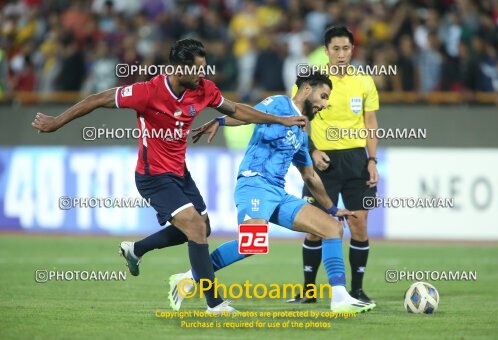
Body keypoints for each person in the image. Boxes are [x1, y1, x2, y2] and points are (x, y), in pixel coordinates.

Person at [31, 38, 306, 314]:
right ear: (178, 68)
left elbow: (236, 109)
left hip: (179, 172)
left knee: (203, 228)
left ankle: (136, 249)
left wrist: (281, 120)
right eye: (197, 69)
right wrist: (56, 122)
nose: (203, 75)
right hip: (153, 176)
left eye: (204, 68)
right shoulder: (147, 92)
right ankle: (215, 303)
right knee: (196, 228)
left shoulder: (204, 89)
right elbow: (98, 99)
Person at [169, 72, 376, 314]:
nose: (325, 104)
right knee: (251, 245)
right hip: (254, 183)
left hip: (277, 192)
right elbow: (247, 115)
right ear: (307, 89)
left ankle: (340, 298)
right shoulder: (279, 104)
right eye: (323, 96)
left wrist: (332, 208)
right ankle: (188, 278)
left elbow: (309, 175)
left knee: (332, 228)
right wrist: (221, 120)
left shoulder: (300, 131)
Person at [287, 26, 380, 304]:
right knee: (315, 227)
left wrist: (373, 159)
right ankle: (309, 290)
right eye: (336, 49)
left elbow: (371, 122)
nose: (341, 54)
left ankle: (358, 290)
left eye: (346, 49)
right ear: (326, 51)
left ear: (353, 50)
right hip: (322, 160)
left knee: (359, 223)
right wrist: (312, 151)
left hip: (355, 160)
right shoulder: (309, 81)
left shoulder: (364, 81)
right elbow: (297, 119)